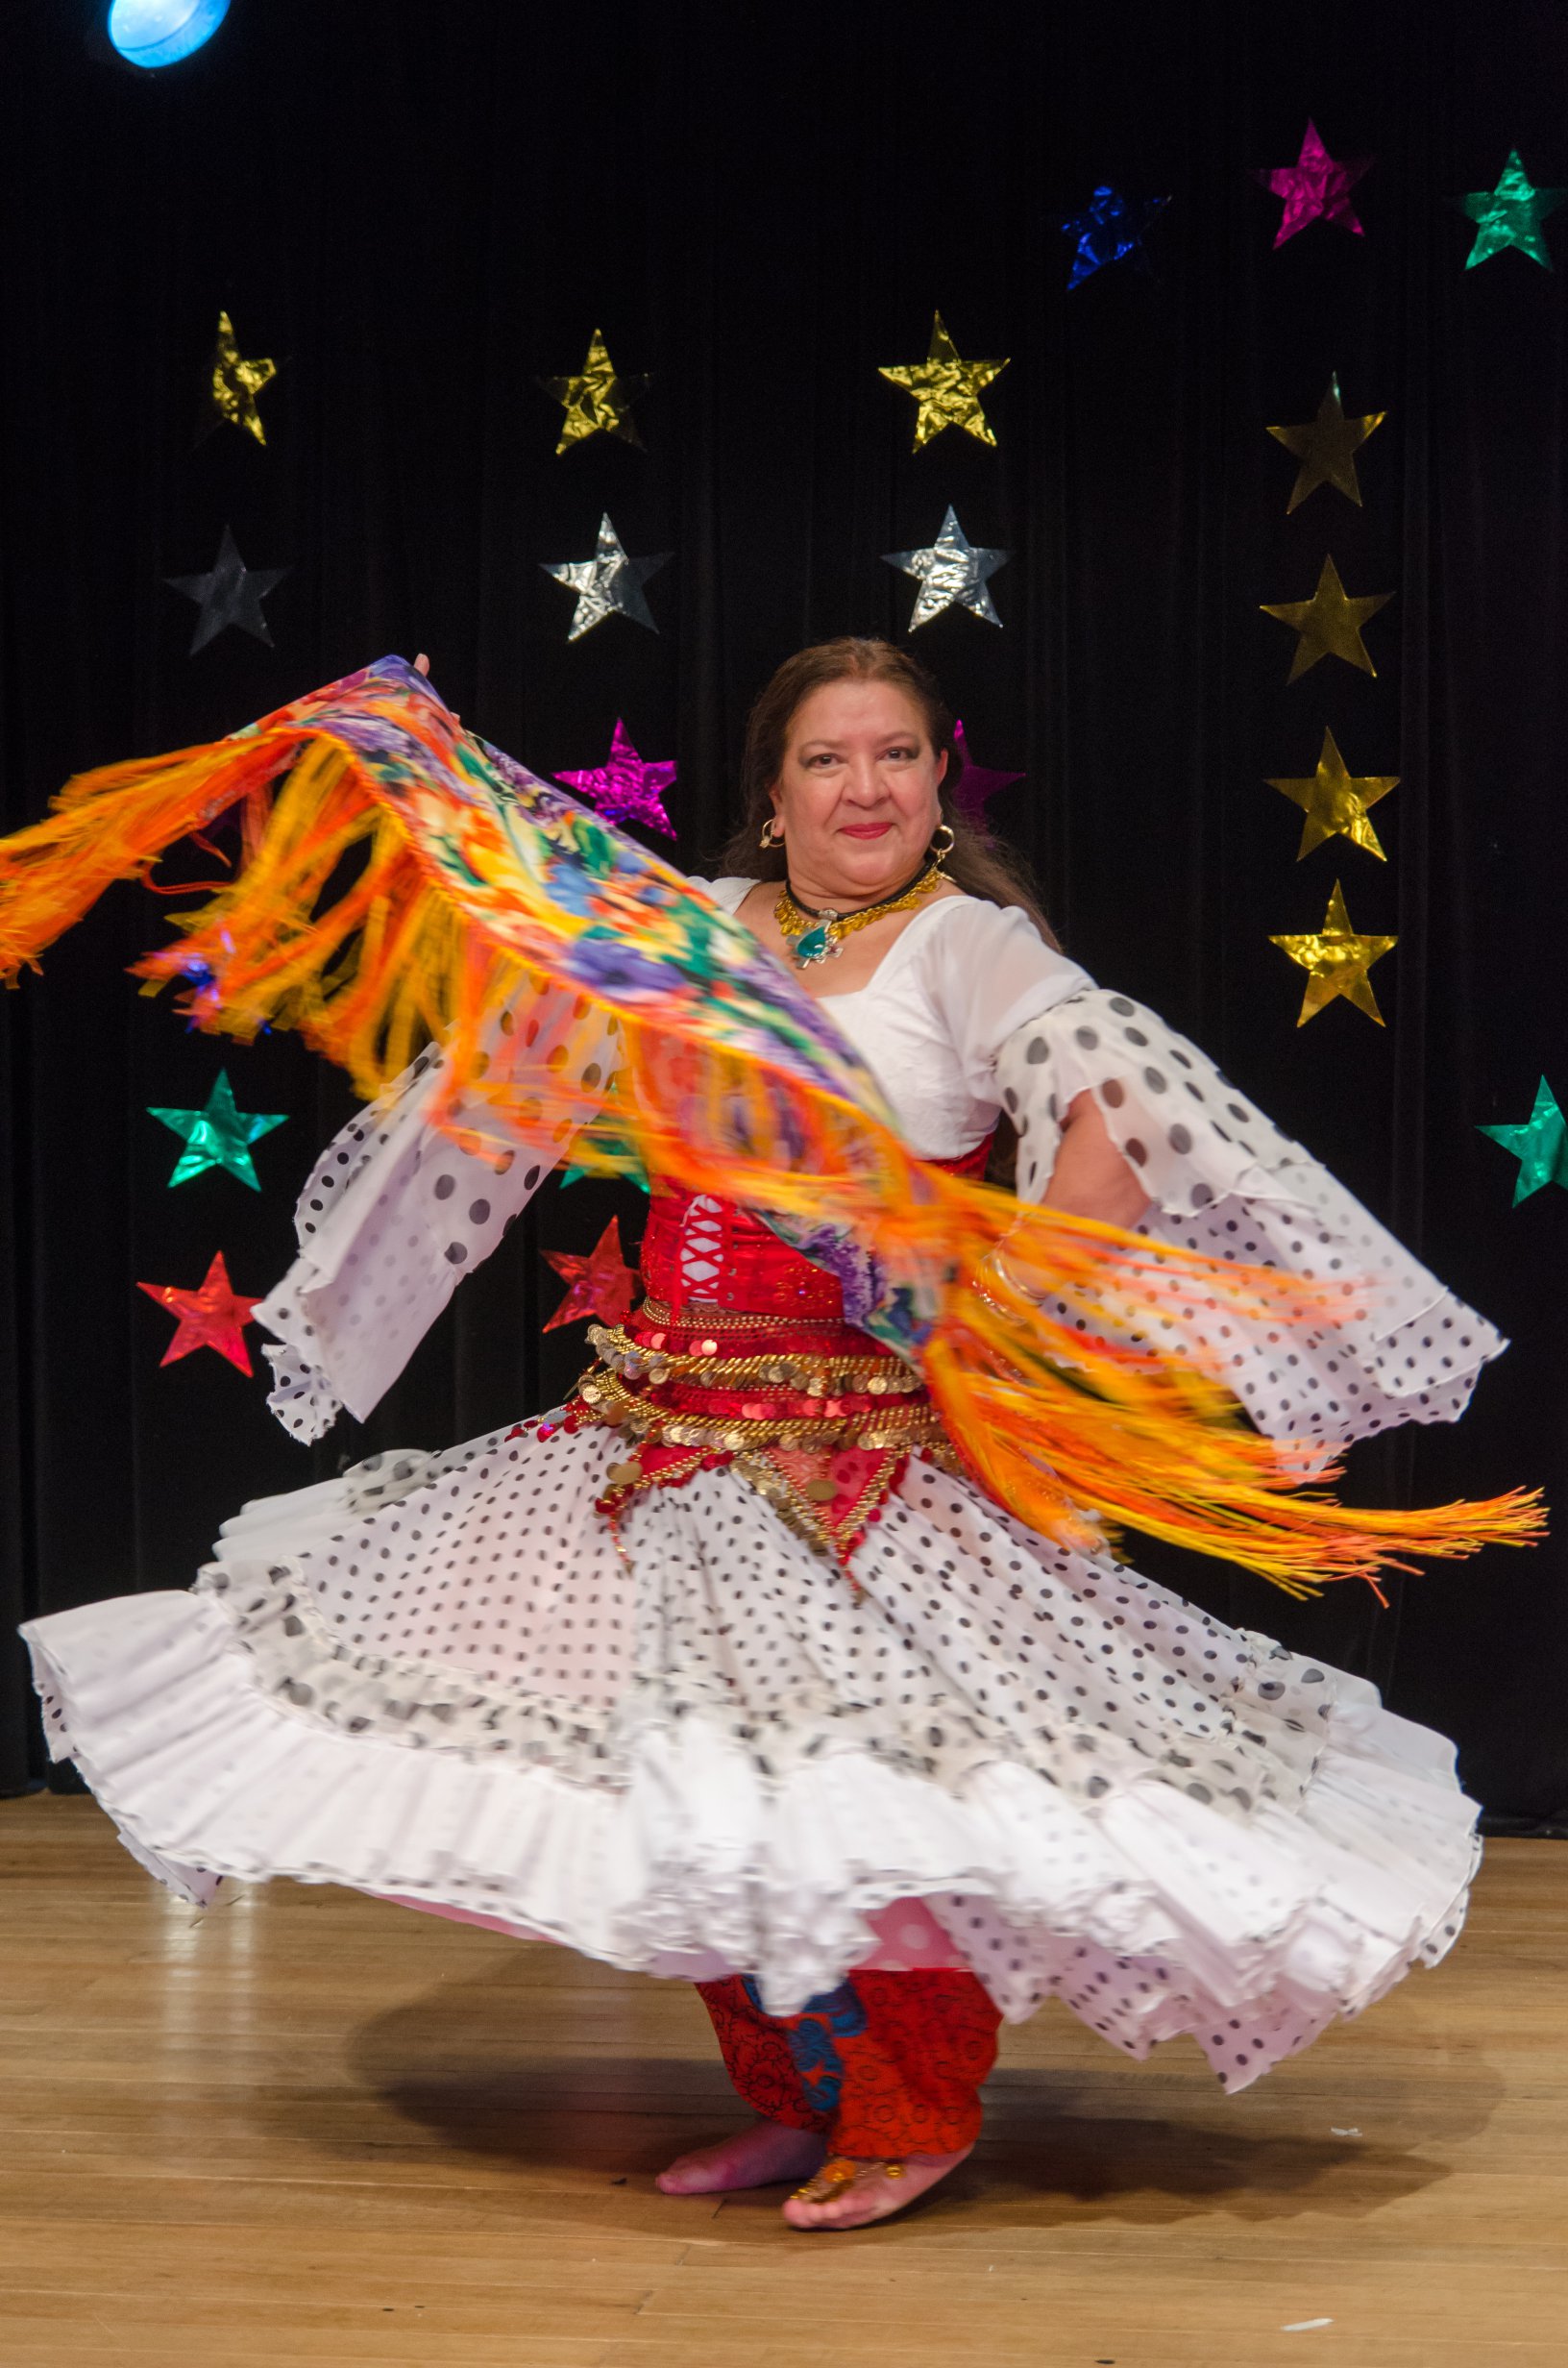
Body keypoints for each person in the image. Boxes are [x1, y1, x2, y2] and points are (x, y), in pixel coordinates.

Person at [13, 639, 1534, 2232]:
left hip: (857, 1466)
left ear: (940, 781)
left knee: (867, 1804)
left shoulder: (967, 948)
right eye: (828, 758)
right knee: (704, 1798)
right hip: (659, 1437)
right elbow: (526, 956)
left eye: (896, 755)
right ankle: (795, 2099)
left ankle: (907, 2113)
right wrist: (422, 756)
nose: (865, 787)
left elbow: (1125, 1107)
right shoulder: (701, 924)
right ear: (776, 790)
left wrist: (1000, 1298)